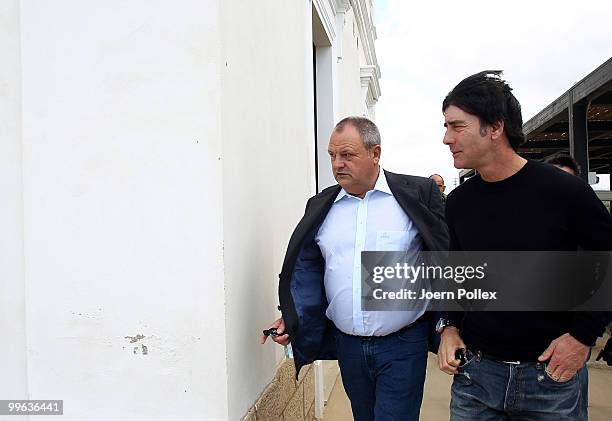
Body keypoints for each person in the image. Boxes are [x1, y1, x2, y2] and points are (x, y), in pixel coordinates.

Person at [437, 71, 612, 420]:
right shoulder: (458, 202)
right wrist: (449, 327)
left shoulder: (564, 192)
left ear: (495, 127)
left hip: (550, 379)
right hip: (476, 377)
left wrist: (583, 337)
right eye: (446, 127)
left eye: (457, 127)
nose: (446, 138)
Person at [261, 116, 449, 421]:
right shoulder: (320, 206)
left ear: (375, 154)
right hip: (347, 346)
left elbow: (444, 258)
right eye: (332, 156)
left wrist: (449, 323)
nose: (337, 164)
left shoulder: (417, 194)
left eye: (347, 155)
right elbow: (311, 273)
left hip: (402, 344)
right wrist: (294, 316)